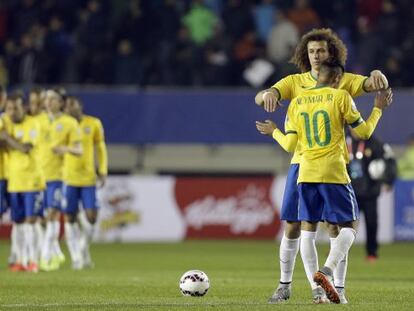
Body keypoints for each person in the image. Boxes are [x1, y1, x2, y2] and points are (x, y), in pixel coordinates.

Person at [254, 28, 389, 303]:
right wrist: (268, 93)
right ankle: (294, 285)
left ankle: (335, 288)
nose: (316, 56)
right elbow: (263, 96)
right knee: (297, 225)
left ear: (331, 55)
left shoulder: (342, 81)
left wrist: (378, 74)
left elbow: (373, 83)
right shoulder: (295, 81)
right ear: (306, 54)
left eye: (321, 51)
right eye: (312, 51)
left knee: (322, 228)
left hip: (309, 168)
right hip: (310, 165)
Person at [63, 96, 107, 270]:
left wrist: (102, 170)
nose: (68, 108)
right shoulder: (63, 125)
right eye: (66, 105)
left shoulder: (93, 123)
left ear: (80, 106)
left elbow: (101, 148)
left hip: (88, 178)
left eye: (71, 104)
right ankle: (76, 258)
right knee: (69, 218)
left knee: (92, 217)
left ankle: (83, 249)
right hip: (68, 178)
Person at [40, 90, 82, 271]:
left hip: (58, 177)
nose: (48, 102)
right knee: (41, 219)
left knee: (53, 214)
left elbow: (79, 150)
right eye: (46, 99)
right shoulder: (38, 120)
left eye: (53, 99)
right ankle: (56, 253)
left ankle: (45, 256)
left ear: (61, 103)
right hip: (37, 177)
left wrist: (64, 148)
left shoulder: (69, 123)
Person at [4, 94, 45, 272]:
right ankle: (20, 260)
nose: (12, 112)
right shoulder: (6, 122)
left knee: (31, 221)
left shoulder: (33, 124)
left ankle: (33, 260)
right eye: (9, 108)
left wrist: (6, 138)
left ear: (24, 107)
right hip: (14, 180)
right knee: (19, 222)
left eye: (16, 108)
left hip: (32, 180)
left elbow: (26, 147)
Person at [347, 131, 397, 262]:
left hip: (369, 191)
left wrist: (388, 180)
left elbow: (390, 160)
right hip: (349, 192)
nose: (355, 131)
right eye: (353, 127)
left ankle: (372, 253)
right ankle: (338, 251)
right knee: (345, 224)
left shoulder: (374, 142)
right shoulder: (343, 140)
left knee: (371, 223)